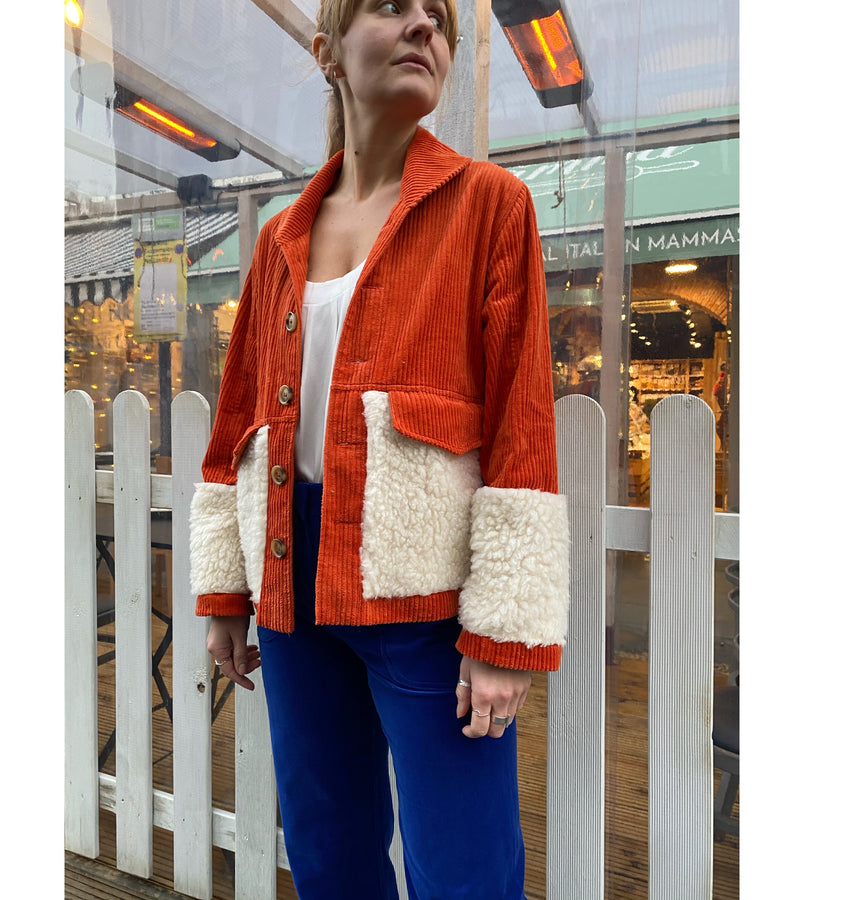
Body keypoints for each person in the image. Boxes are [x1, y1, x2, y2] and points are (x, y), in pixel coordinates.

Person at [188, 2, 570, 897]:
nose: (424, 28)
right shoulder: (281, 237)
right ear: (327, 52)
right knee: (327, 849)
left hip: (423, 593)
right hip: (291, 581)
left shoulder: (489, 205)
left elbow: (522, 421)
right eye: (393, 7)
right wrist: (225, 592)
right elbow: (240, 420)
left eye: (439, 17)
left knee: (464, 867)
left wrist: (504, 635)